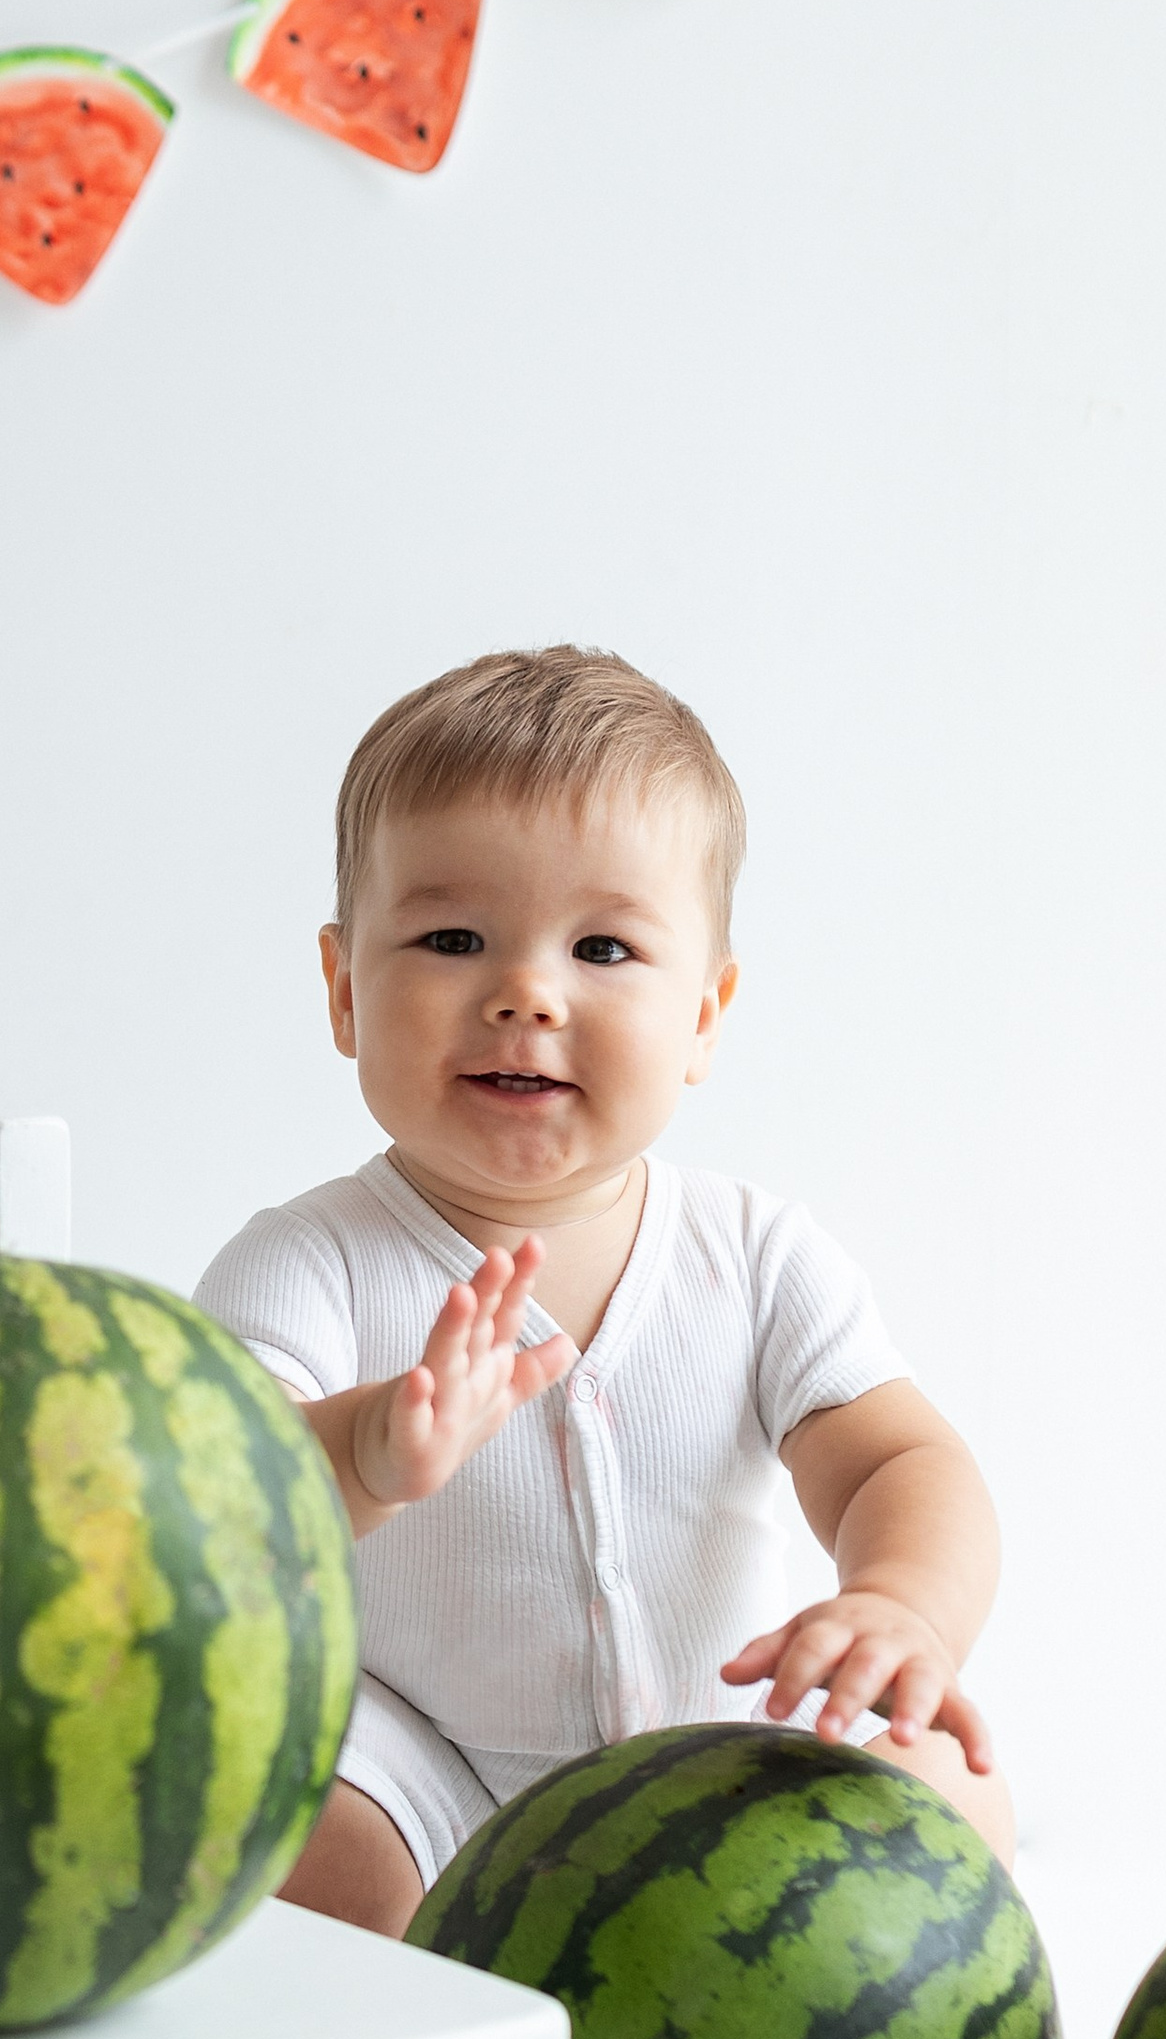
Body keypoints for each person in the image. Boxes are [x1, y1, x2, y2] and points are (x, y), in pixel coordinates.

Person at [194, 646, 1013, 1941]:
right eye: (453, 938)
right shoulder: (308, 1261)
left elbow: (896, 1458)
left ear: (705, 1015)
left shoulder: (756, 1255)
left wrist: (898, 1606)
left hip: (720, 1760)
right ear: (346, 987)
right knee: (274, 1799)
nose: (527, 992)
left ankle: (765, 2036)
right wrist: (362, 1447)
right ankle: (428, 2035)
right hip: (427, 1784)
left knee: (949, 1787)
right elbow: (214, 1506)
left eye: (605, 946)